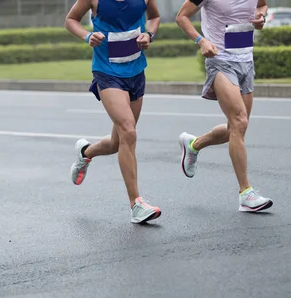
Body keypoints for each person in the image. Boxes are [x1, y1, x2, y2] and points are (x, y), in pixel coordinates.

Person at [65, 0, 162, 224]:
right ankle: (136, 204)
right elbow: (70, 20)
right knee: (128, 131)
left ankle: (86, 153)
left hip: (136, 70)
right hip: (107, 72)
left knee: (118, 142)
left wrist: (149, 34)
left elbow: (154, 18)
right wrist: (87, 36)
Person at [175, 0, 274, 212]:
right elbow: (181, 16)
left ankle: (194, 145)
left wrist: (261, 17)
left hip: (246, 60)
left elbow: (262, 5)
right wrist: (201, 41)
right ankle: (246, 193)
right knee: (239, 121)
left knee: (236, 128)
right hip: (220, 60)